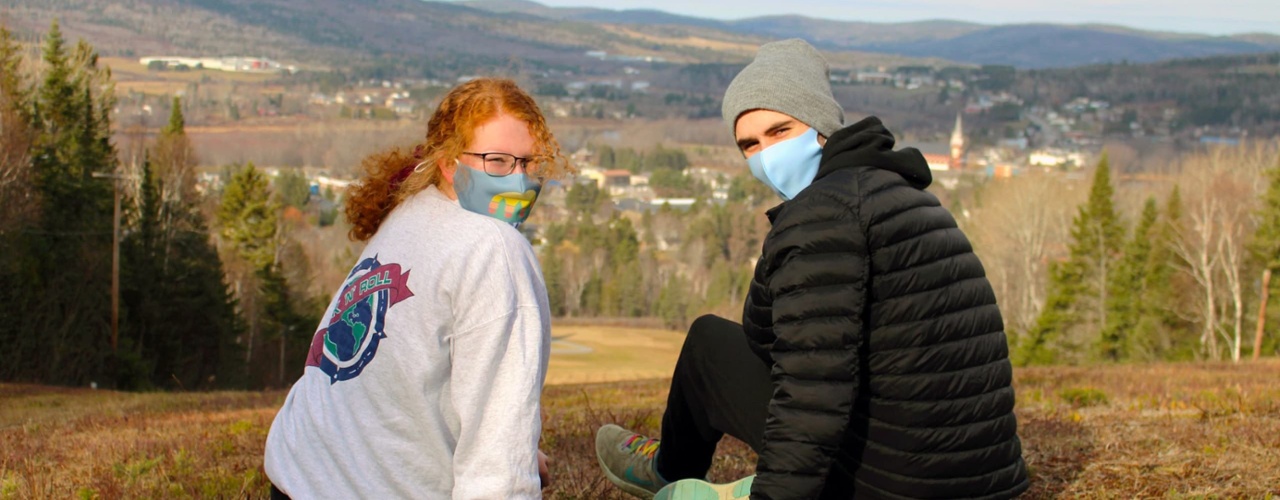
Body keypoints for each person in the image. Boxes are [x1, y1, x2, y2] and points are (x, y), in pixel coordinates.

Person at [595, 39, 1029, 499]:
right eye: (749, 144)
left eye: (780, 131)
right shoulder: (902, 192)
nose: (765, 154)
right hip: (979, 478)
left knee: (708, 345)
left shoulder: (823, 217)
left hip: (898, 485)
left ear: (820, 125)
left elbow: (813, 396)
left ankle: (667, 470)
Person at [264, 78, 571, 499]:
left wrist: (518, 451)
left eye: (529, 163)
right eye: (497, 161)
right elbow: (498, 468)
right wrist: (511, 464)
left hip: (299, 470)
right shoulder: (494, 248)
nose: (518, 181)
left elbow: (402, 378)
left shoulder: (411, 211)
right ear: (449, 163)